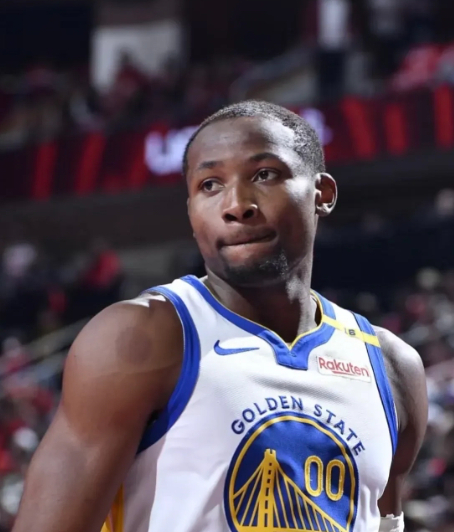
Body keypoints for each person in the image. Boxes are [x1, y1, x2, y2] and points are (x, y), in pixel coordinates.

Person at [12, 101, 428, 532]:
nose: (236, 205)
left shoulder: (390, 366)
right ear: (191, 211)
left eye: (264, 175)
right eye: (210, 185)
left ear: (321, 194)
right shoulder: (141, 338)